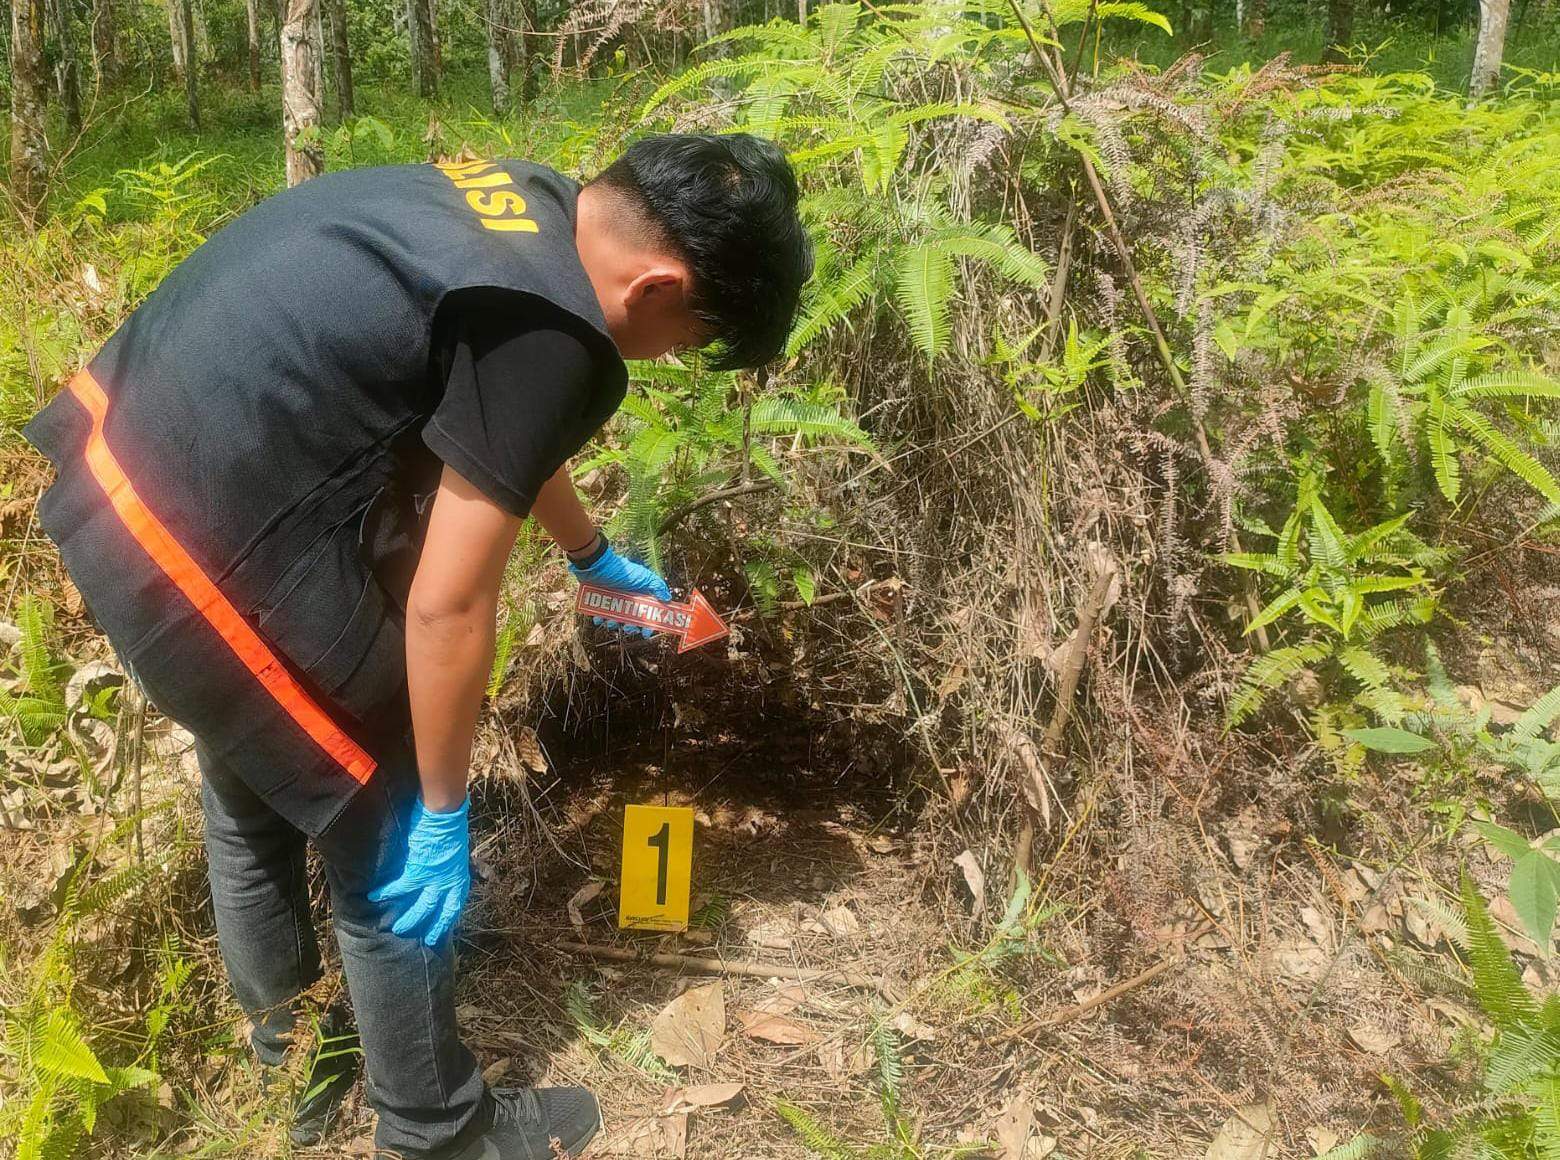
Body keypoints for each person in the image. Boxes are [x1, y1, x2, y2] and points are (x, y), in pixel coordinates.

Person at [23, 133, 812, 1159]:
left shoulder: (525, 206)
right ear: (663, 282)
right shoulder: (561, 332)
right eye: (694, 336)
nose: (672, 356)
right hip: (203, 548)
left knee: (254, 782)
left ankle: (293, 1077)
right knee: (390, 819)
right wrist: (441, 807)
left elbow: (500, 433)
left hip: (117, 468)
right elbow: (448, 605)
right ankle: (438, 1128)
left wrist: (590, 555)